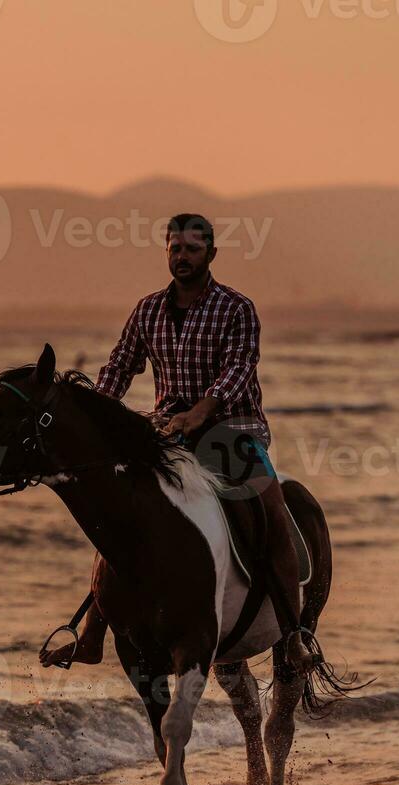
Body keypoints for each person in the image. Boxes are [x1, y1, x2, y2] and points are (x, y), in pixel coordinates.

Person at [40, 213, 304, 670]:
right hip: (168, 430)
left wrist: (204, 409)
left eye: (192, 250)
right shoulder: (147, 310)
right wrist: (95, 416)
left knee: (269, 503)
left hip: (233, 429)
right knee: (119, 508)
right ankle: (91, 635)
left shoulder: (236, 308)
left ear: (211, 255)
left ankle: (294, 636)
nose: (182, 258)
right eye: (175, 249)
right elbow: (120, 367)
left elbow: (240, 370)